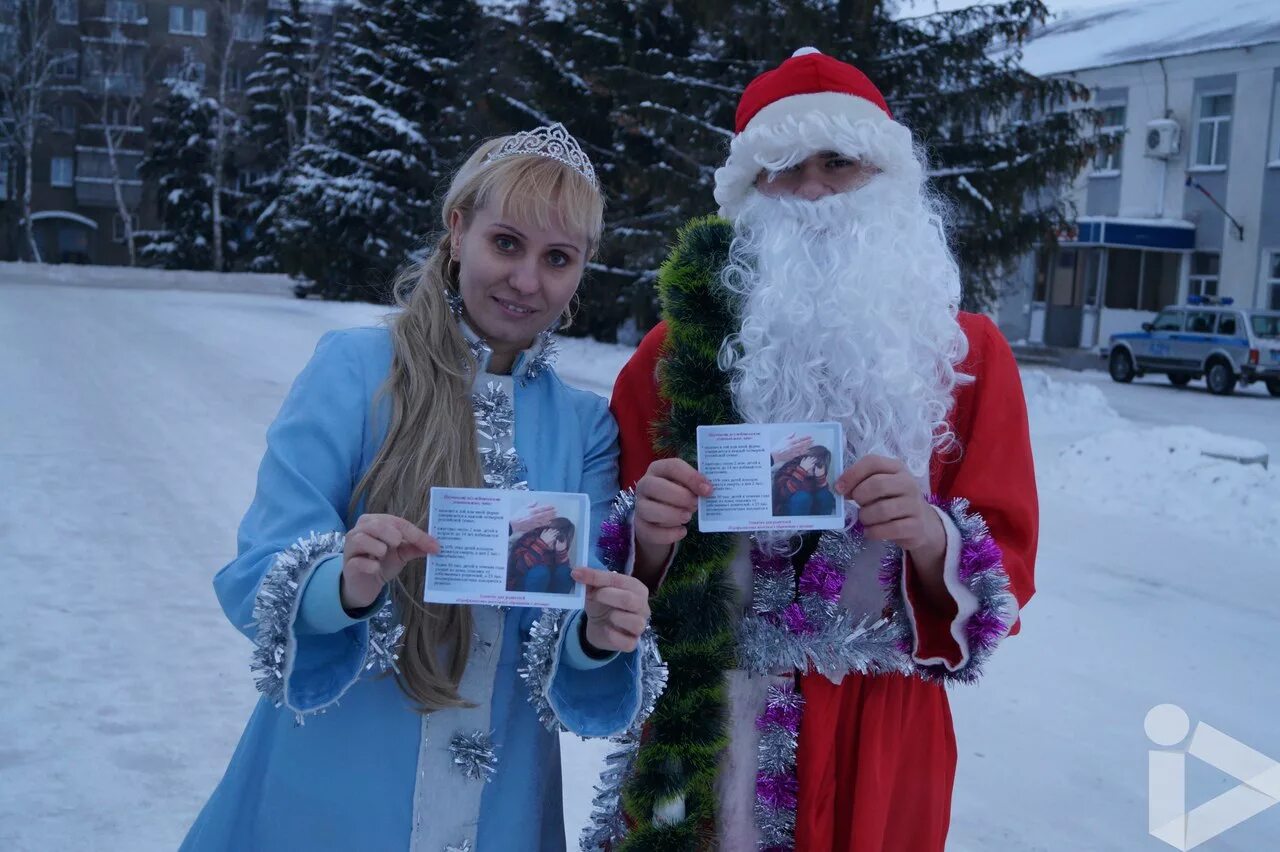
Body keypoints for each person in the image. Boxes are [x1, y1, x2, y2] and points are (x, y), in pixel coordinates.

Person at [181, 124, 661, 852]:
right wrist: (345, 583)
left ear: (582, 269)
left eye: (557, 258)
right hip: (336, 785)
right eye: (506, 243)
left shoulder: (585, 425)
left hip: (502, 798)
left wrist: (597, 634)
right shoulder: (356, 370)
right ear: (458, 228)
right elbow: (262, 564)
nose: (527, 280)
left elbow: (562, 621)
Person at [607, 49, 1038, 851]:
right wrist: (649, 538)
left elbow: (1008, 568)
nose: (810, 191)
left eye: (838, 163)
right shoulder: (672, 357)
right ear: (747, 194)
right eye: (781, 168)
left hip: (884, 733)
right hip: (709, 727)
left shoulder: (968, 357)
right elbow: (608, 568)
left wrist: (929, 535)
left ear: (886, 182)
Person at [508, 517, 576, 594]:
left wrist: (561, 552)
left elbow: (562, 576)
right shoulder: (529, 538)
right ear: (548, 530)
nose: (555, 540)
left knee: (566, 572)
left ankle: (557, 604)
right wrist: (541, 544)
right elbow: (519, 567)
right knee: (541, 571)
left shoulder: (557, 548)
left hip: (546, 588)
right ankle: (533, 605)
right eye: (554, 534)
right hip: (523, 586)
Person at [773, 445, 834, 516]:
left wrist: (820, 478)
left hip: (809, 510)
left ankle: (823, 524)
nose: (813, 468)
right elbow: (783, 493)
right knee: (803, 497)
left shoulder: (815, 475)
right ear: (805, 459)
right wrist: (801, 471)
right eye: (812, 463)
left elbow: (823, 497)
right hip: (788, 508)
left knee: (826, 496)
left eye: (817, 466)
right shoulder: (790, 467)